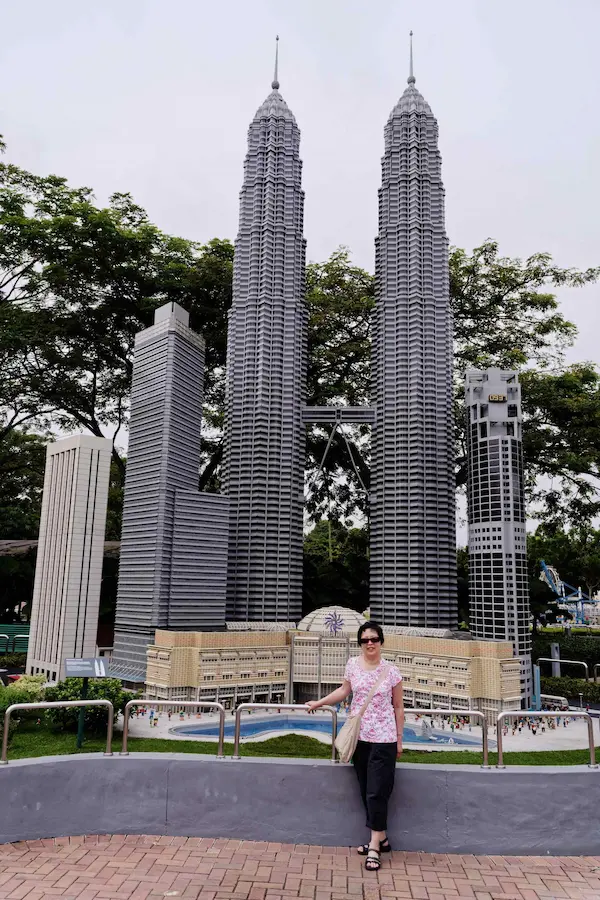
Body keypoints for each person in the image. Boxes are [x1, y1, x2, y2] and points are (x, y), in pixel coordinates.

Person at [306, 622, 403, 873]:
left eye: (374, 639)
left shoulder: (391, 671)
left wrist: (400, 740)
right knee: (364, 789)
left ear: (381, 641)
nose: (369, 643)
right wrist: (319, 702)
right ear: (360, 643)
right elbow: (344, 690)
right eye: (364, 640)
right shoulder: (352, 665)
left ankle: (373, 847)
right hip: (360, 738)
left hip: (384, 739)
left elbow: (399, 707)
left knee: (377, 791)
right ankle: (382, 838)